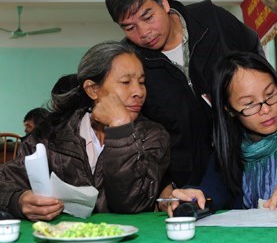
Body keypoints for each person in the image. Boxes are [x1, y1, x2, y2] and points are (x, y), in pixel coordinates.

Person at [105, 0, 263, 208]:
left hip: (247, 163)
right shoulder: (132, 62)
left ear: (164, 3)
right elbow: (142, 131)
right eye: (129, 27)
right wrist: (162, 182)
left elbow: (259, 68)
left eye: (148, 17)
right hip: (184, 186)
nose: (144, 33)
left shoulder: (213, 21)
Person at [0, 41, 170, 221]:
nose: (139, 91)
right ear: (93, 89)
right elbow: (5, 183)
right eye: (126, 82)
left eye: (142, 82)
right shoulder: (52, 135)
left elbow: (129, 203)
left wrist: (121, 129)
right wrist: (18, 200)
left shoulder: (154, 136)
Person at [169, 51, 277, 212]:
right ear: (229, 110)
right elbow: (213, 191)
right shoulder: (230, 147)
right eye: (249, 104)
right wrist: (193, 196)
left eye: (270, 94)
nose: (266, 109)